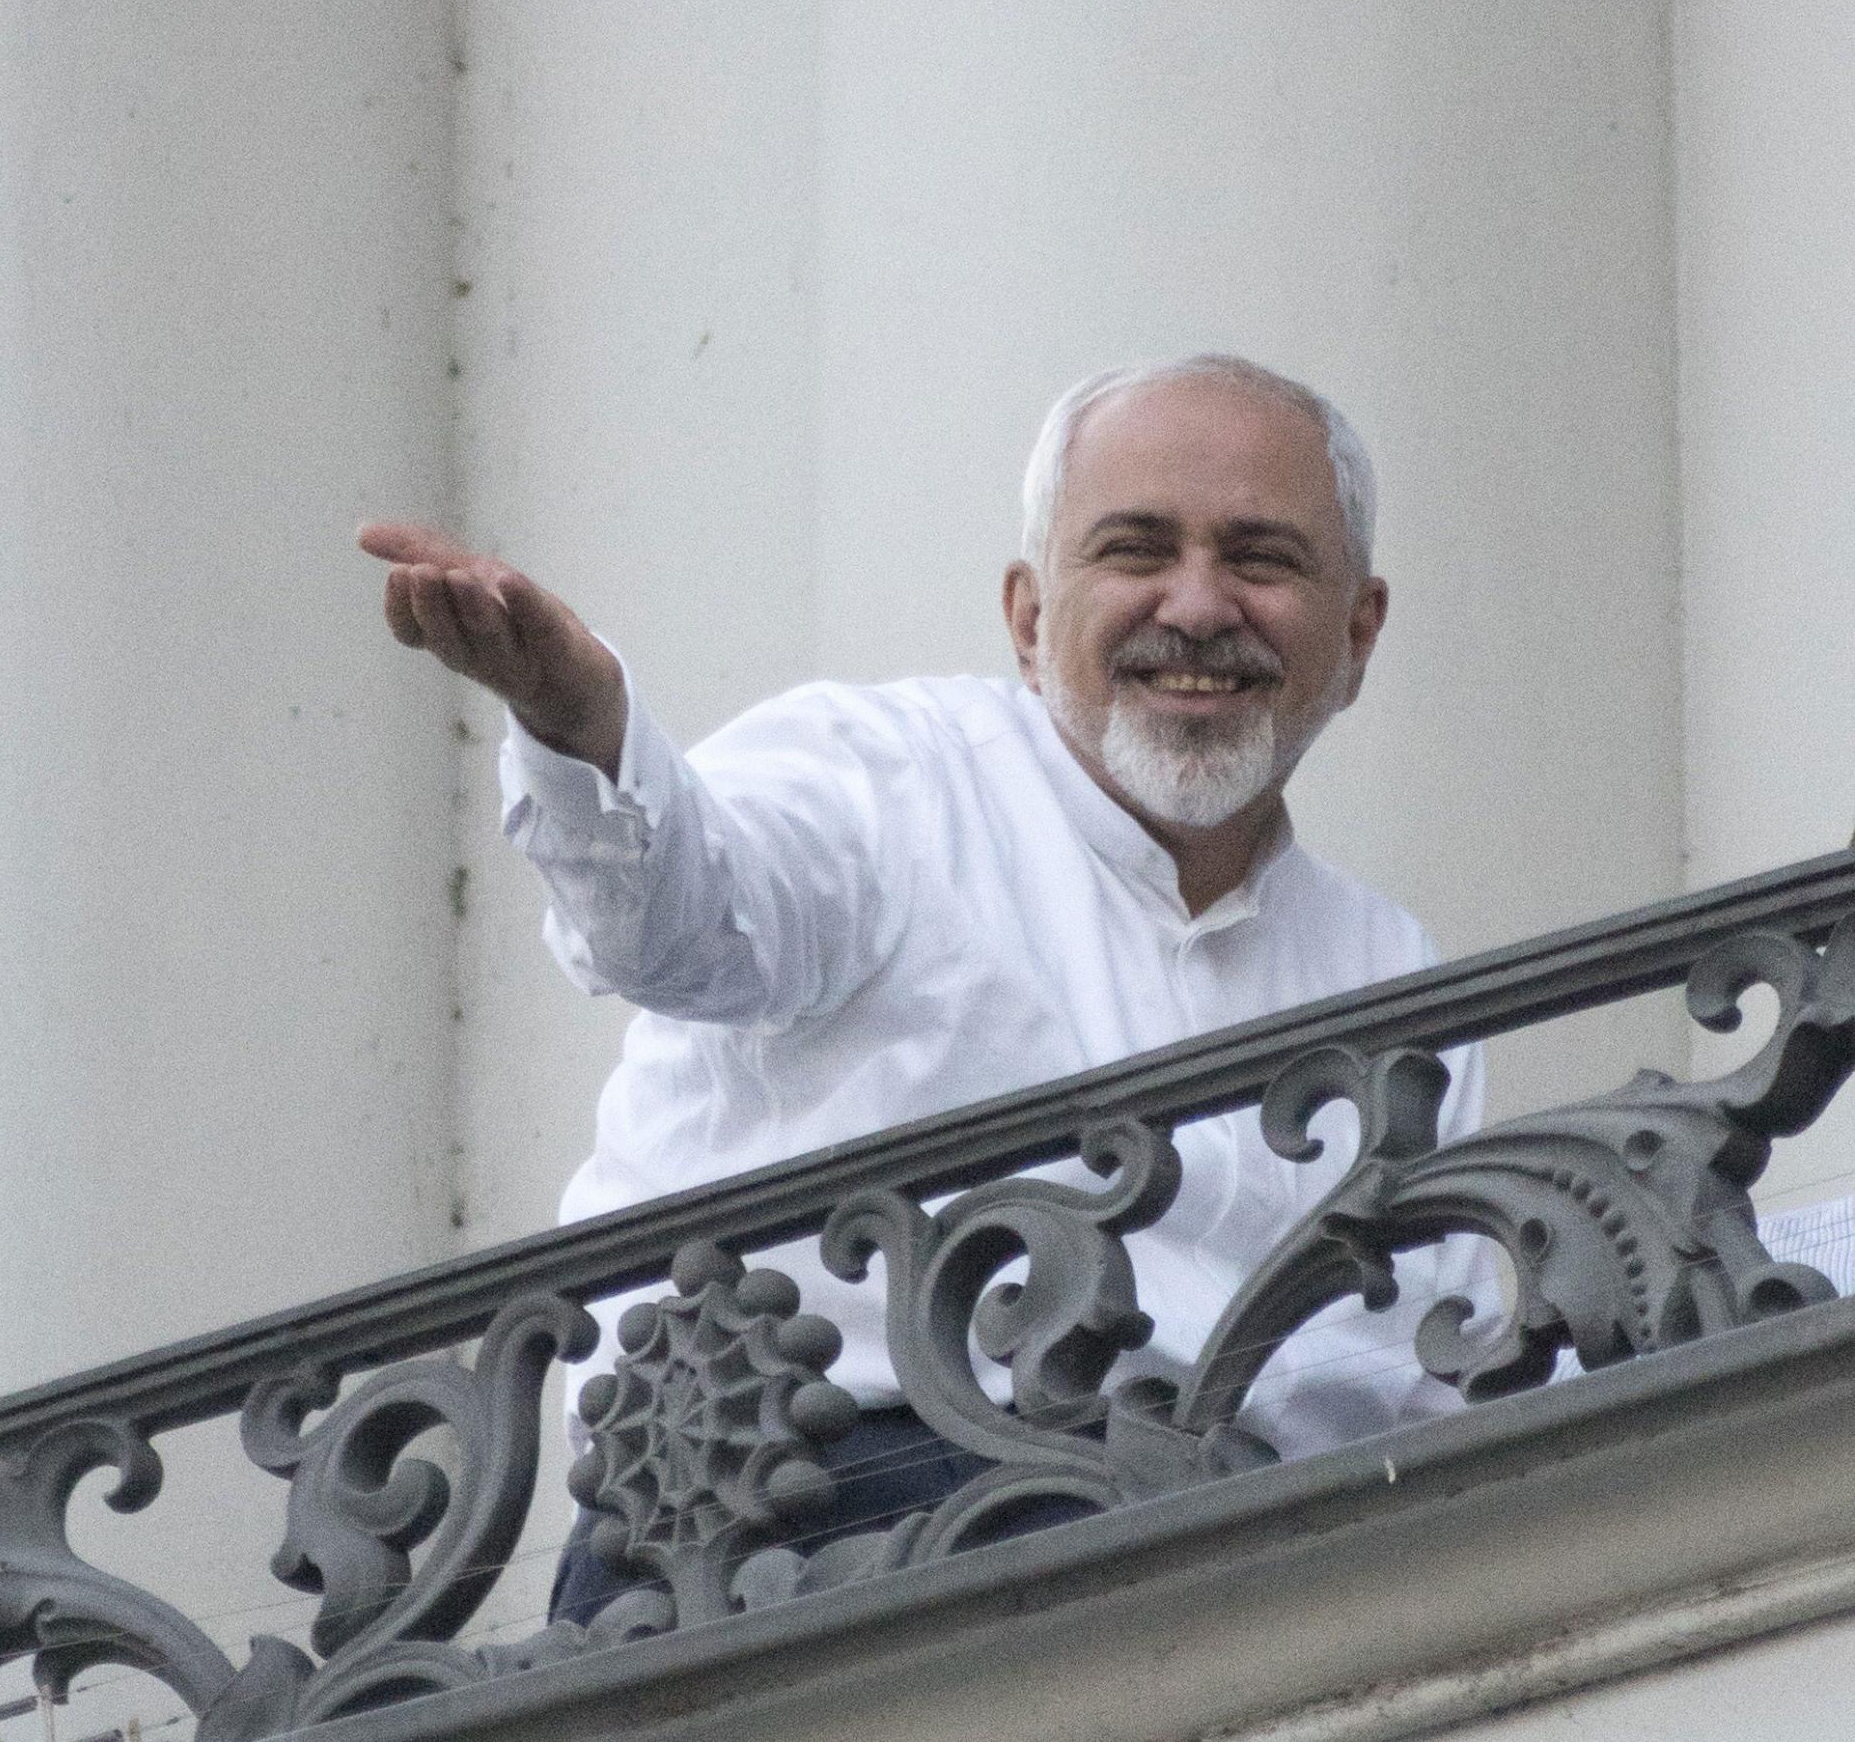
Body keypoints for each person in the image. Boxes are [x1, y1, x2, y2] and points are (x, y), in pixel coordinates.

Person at [360, 353, 1482, 1616]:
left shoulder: (1390, 973)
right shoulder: (882, 778)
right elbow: (674, 928)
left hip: (1250, 1574)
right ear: (1025, 616)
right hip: (811, 1529)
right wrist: (577, 722)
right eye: (1133, 549)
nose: (1198, 604)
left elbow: (1436, 1372)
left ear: (1359, 632)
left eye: (1262, 559)